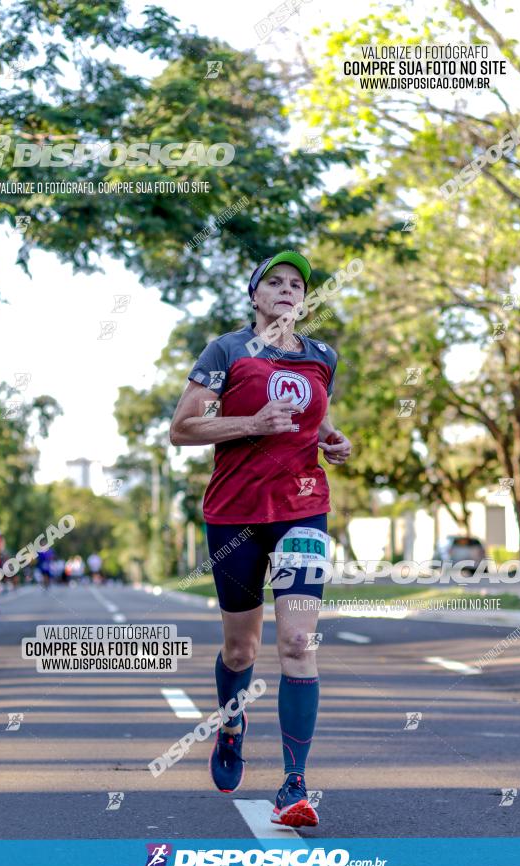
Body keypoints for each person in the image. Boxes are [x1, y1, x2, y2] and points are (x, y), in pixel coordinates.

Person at [170, 251, 351, 827]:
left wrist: (332, 439)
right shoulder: (226, 351)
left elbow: (312, 419)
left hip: (303, 508)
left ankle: (294, 785)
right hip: (236, 514)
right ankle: (231, 723)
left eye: (296, 284)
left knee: (298, 643)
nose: (287, 290)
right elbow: (182, 429)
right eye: (274, 282)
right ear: (255, 295)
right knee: (241, 650)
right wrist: (250, 424)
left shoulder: (322, 357)